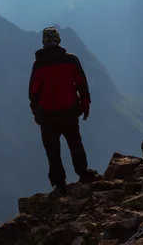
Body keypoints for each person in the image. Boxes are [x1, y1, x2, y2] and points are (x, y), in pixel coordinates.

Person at [29, 26, 97, 194]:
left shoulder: (39, 64)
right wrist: (85, 105)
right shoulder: (70, 60)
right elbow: (81, 84)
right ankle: (83, 173)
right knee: (75, 144)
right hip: (69, 111)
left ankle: (59, 184)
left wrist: (36, 112)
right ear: (58, 41)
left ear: (44, 43)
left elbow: (34, 92)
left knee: (52, 151)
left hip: (47, 115)